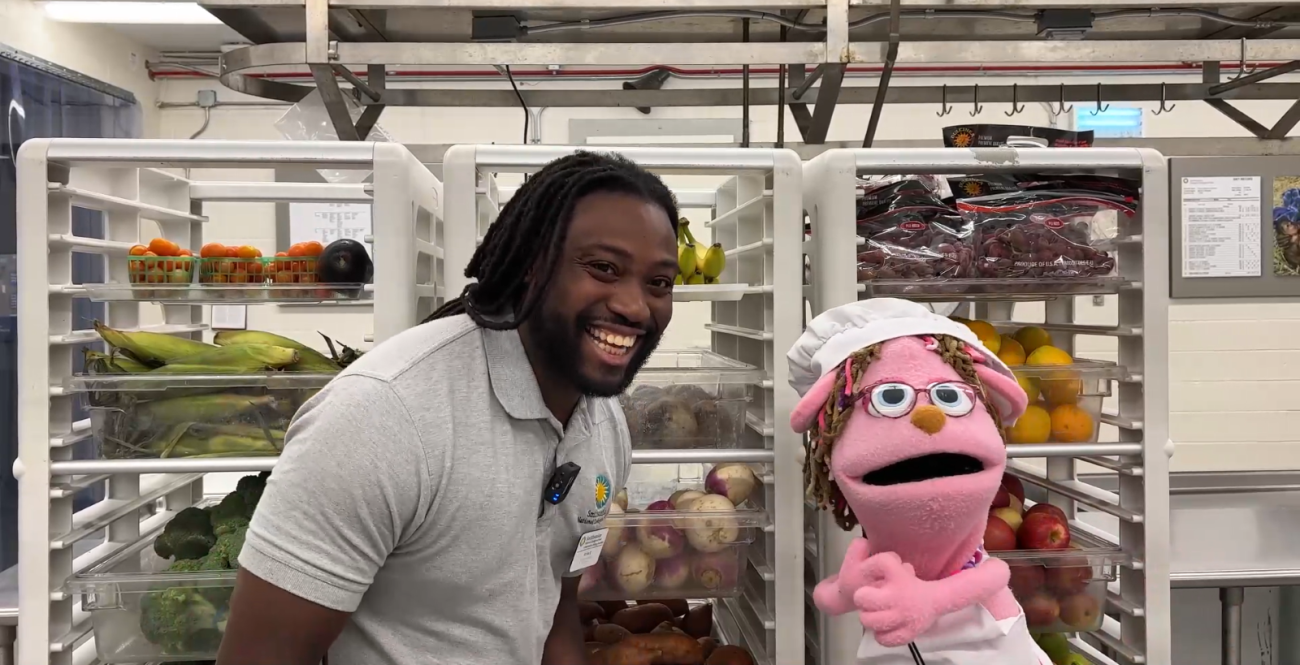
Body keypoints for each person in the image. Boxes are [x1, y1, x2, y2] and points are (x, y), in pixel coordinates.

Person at [216, 151, 680, 665]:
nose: (636, 307)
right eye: (603, 268)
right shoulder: (383, 416)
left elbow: (555, 610)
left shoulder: (604, 427)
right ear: (532, 264)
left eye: (659, 282)